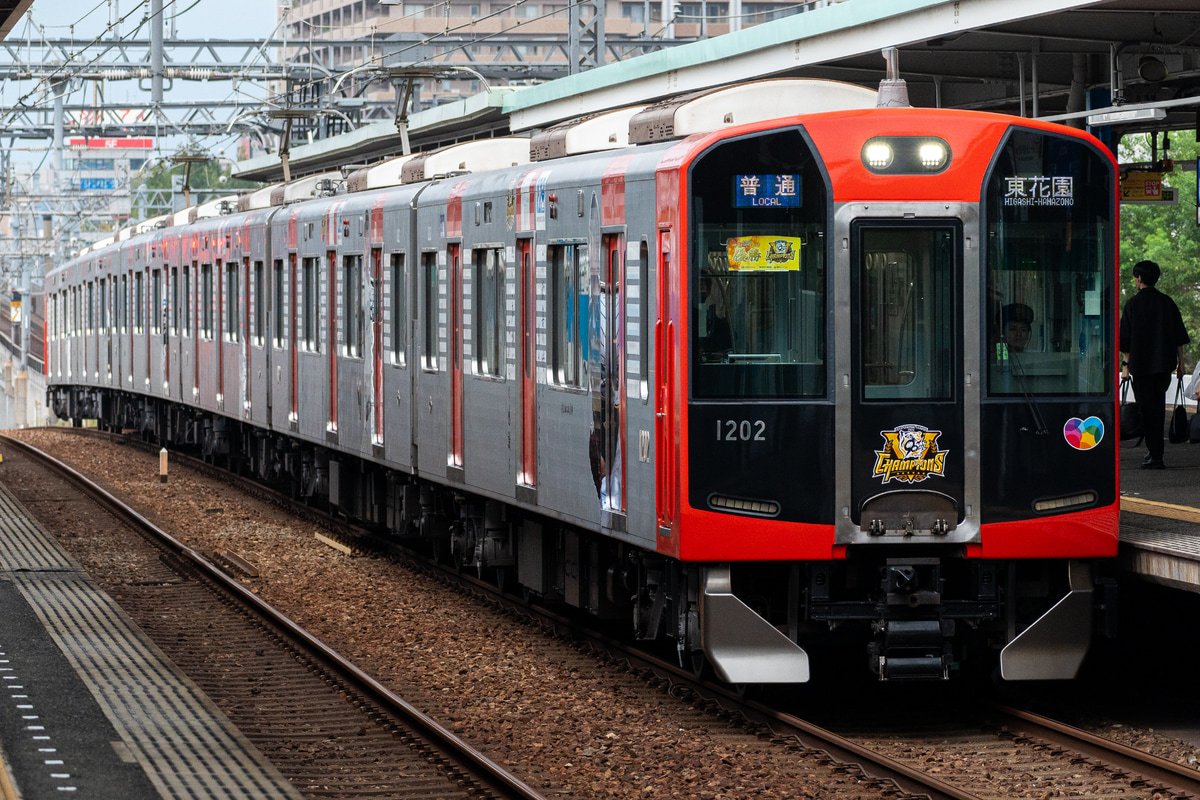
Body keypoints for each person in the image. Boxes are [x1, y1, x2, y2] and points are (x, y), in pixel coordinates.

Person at [1120, 260, 1189, 469]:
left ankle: (1154, 454)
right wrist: (1181, 364)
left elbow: (1126, 339)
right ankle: (1155, 453)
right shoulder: (1167, 302)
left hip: (1141, 367)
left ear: (1139, 278)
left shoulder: (1132, 304)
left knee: (1145, 409)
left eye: (1135, 277)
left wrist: (1125, 367)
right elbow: (1179, 336)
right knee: (1157, 409)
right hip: (1162, 367)